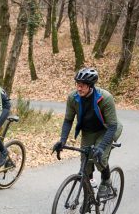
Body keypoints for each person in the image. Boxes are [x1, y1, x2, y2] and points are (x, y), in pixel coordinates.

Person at [52, 67, 123, 198]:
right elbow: (68, 120)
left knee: (98, 157)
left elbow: (113, 126)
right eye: (77, 85)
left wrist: (101, 147)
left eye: (82, 86)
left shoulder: (105, 98)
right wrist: (62, 141)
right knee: (85, 161)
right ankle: (89, 188)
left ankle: (106, 181)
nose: (79, 88)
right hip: (88, 131)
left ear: (90, 86)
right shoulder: (73, 98)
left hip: (106, 129)